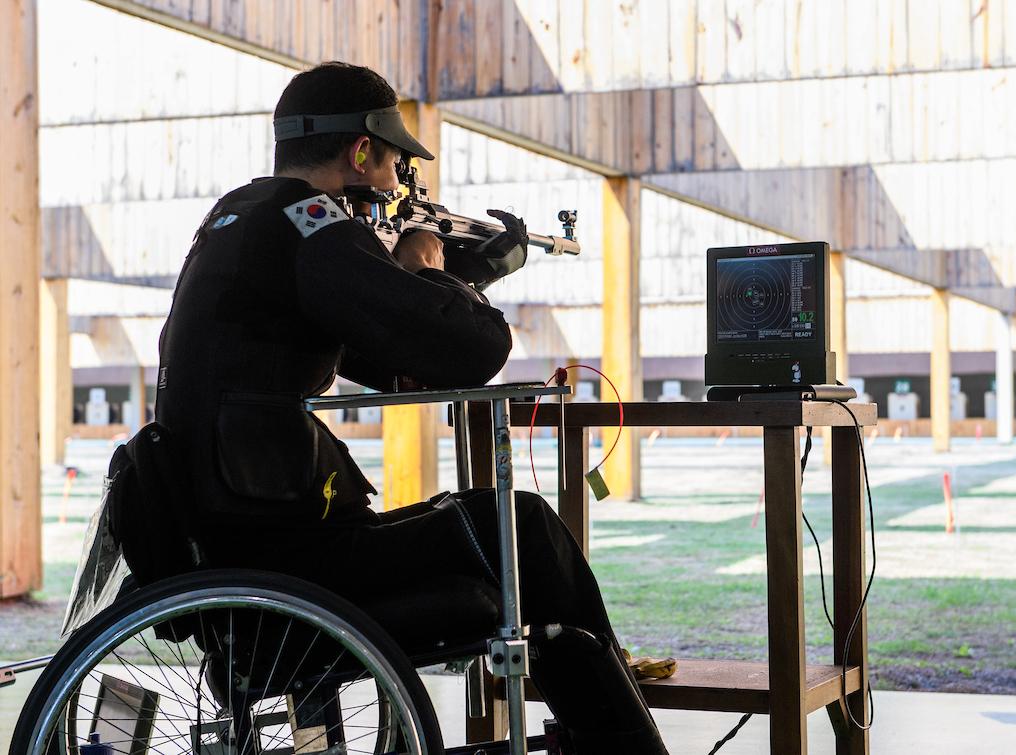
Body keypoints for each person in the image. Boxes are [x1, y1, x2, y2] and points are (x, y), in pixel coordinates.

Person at [153, 61, 669, 753]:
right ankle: (623, 740)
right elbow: (470, 351)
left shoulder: (245, 219)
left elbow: (394, 358)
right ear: (361, 151)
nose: (395, 179)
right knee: (523, 526)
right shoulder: (311, 223)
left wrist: (456, 274)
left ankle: (602, 710)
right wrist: (427, 267)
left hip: (246, 540)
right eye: (394, 159)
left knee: (499, 523)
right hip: (292, 558)